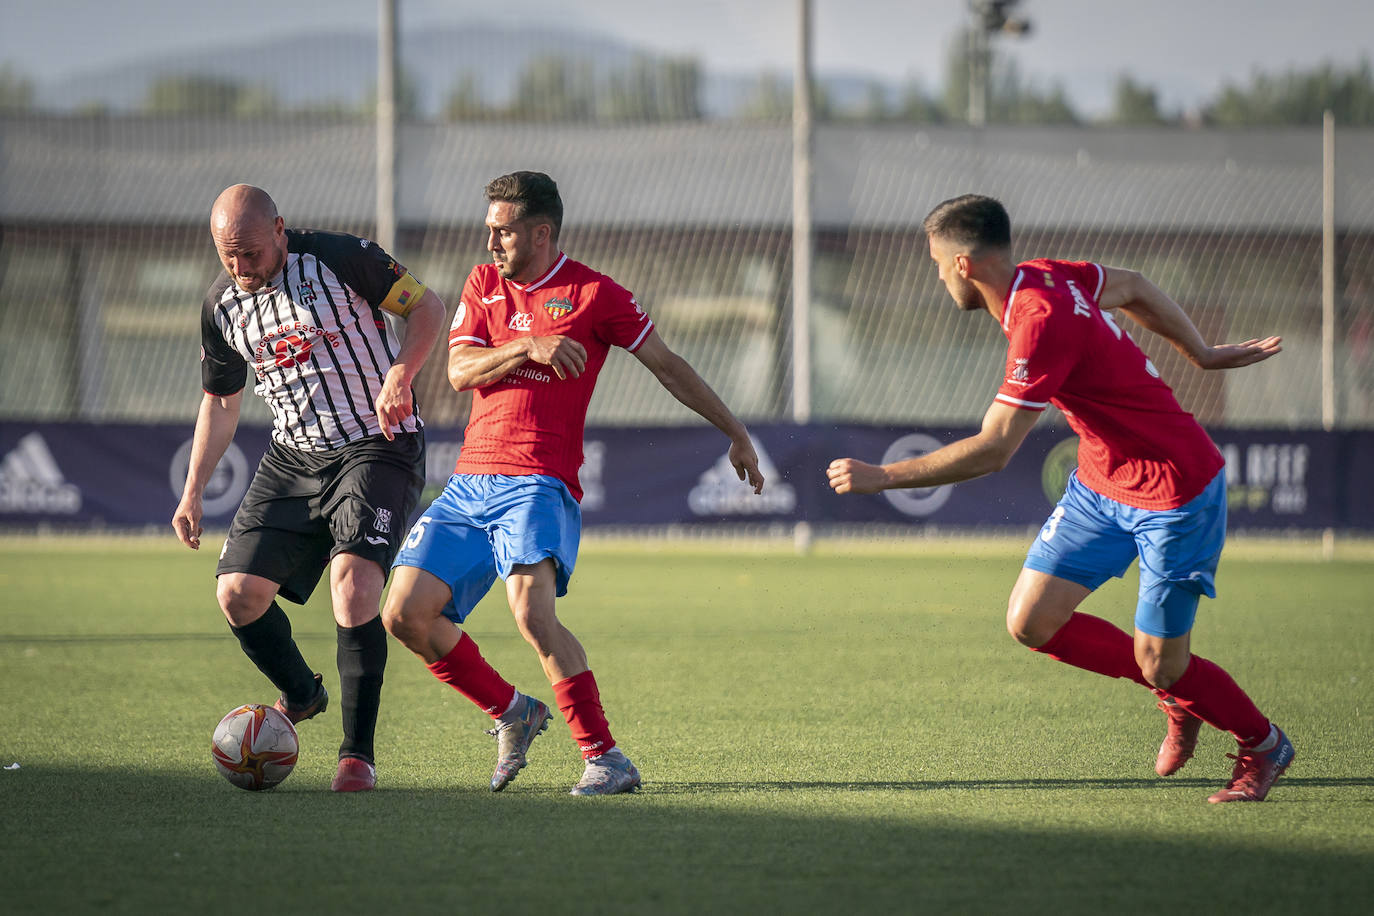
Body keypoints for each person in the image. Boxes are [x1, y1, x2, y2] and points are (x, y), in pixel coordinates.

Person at [827, 194, 1293, 804]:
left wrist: (883, 477)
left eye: (938, 265)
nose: (938, 277)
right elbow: (1133, 286)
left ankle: (1263, 745)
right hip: (1101, 484)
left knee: (1162, 662)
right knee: (1032, 621)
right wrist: (1200, 354)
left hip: (1176, 492)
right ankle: (1178, 690)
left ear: (963, 266)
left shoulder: (1039, 317)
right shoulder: (1044, 273)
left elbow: (995, 448)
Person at [382, 171, 764, 796]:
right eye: (488, 231)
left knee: (532, 614)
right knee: (403, 614)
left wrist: (735, 431)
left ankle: (605, 757)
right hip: (469, 482)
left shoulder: (596, 293)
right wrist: (527, 345)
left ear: (541, 231)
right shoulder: (483, 285)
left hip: (538, 479)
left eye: (503, 232)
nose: (491, 244)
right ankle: (514, 711)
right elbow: (456, 372)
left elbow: (667, 364)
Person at [172, 184, 445, 792]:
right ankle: (302, 694)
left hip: (377, 444)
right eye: (228, 255)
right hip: (292, 457)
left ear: (279, 230)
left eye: (251, 252)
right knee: (238, 595)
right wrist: (192, 493)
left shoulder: (343, 257)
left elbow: (428, 308)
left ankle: (357, 757)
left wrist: (402, 371)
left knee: (355, 586)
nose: (241, 267)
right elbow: (220, 399)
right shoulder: (221, 306)